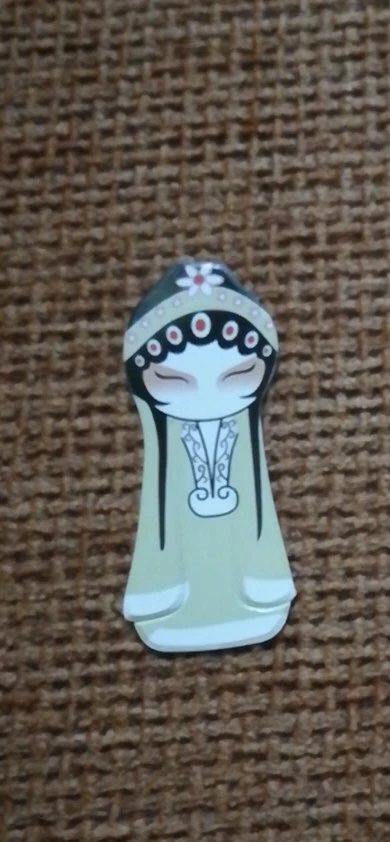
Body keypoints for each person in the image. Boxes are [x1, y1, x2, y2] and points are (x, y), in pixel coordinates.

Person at [122, 260, 295, 651]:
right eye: (173, 380)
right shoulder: (165, 459)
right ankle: (174, 597)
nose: (206, 397)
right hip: (176, 581)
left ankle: (249, 592)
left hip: (250, 583)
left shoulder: (245, 445)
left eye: (236, 376)